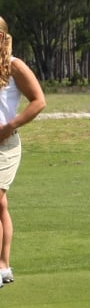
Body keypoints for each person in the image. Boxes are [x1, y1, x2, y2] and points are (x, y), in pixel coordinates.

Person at [0, 16, 46, 288]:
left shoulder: (14, 65)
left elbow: (39, 101)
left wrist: (10, 126)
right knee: (0, 205)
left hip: (4, 144)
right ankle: (4, 265)